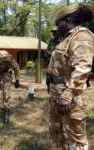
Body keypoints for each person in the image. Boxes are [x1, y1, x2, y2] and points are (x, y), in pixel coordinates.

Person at [48, 5, 94, 150]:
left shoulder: (81, 36)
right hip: (57, 92)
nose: (57, 27)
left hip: (70, 97)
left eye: (58, 24)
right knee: (57, 131)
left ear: (66, 21)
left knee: (75, 138)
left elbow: (82, 68)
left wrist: (67, 95)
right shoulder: (65, 38)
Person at [45, 26, 60, 93]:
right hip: (50, 62)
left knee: (57, 79)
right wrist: (47, 52)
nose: (53, 33)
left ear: (58, 32)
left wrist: (52, 53)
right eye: (53, 32)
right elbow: (48, 49)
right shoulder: (51, 40)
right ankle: (49, 90)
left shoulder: (61, 40)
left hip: (58, 63)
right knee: (48, 77)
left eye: (55, 32)